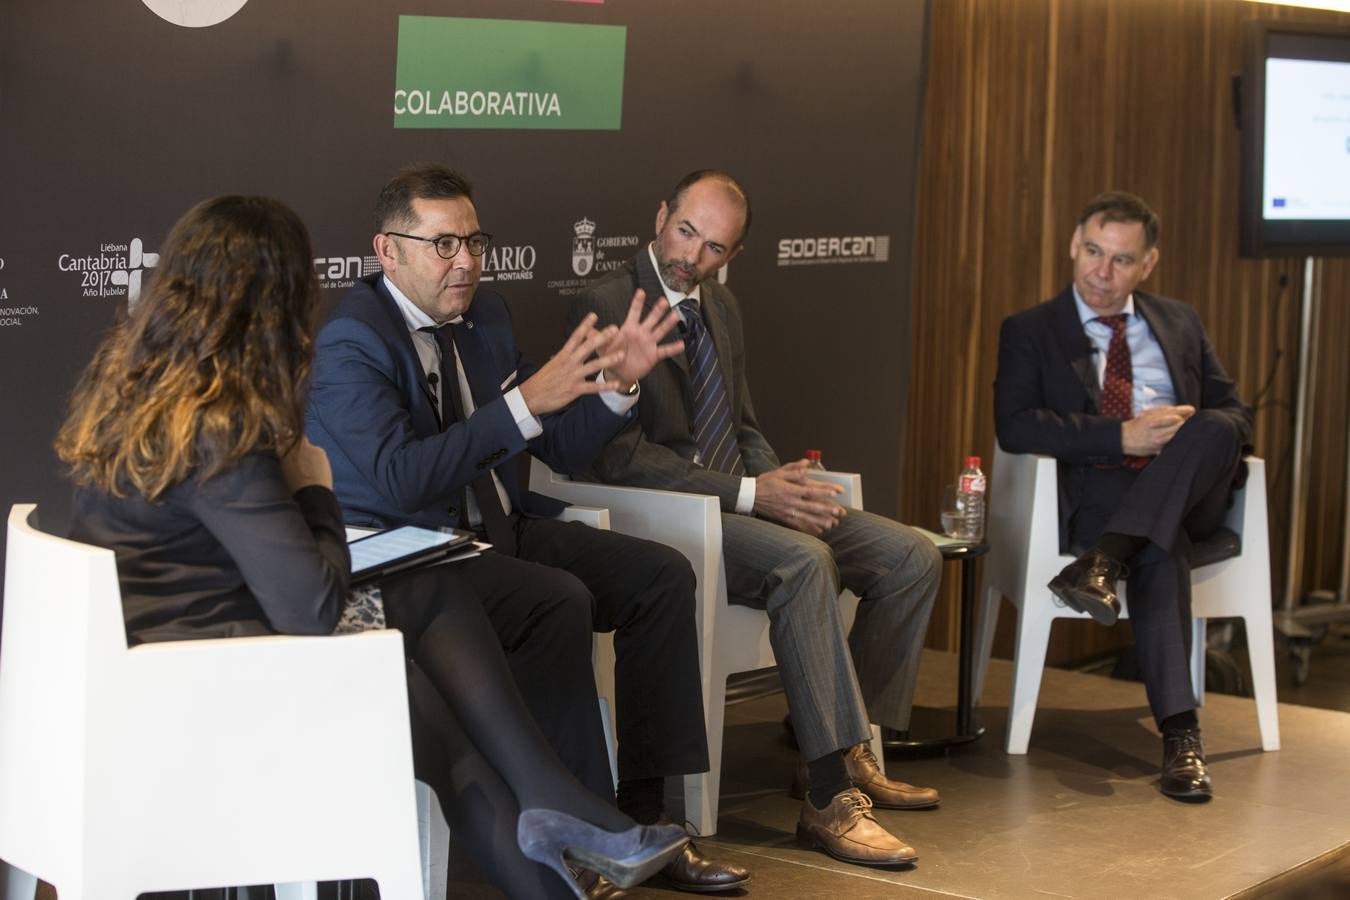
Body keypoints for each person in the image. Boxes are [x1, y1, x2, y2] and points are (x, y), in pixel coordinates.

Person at [55, 195, 690, 900]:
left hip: (177, 660)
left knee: (430, 648)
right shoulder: (219, 424)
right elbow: (313, 611)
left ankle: (552, 808)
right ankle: (556, 804)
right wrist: (316, 488)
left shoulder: (143, 389)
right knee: (422, 653)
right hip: (212, 689)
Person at [305, 166, 750, 893]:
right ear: (387, 251)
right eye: (443, 244)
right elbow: (403, 481)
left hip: (500, 528)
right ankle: (582, 828)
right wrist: (524, 406)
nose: (466, 261)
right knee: (558, 598)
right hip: (417, 554)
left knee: (660, 576)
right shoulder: (352, 340)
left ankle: (642, 813)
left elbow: (559, 449)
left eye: (474, 241)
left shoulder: (487, 317)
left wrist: (616, 387)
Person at [572, 170, 944, 868]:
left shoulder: (723, 305)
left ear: (733, 254)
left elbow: (739, 425)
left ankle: (844, 747)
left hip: (741, 501)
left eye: (714, 247)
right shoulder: (608, 302)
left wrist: (784, 486)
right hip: (668, 516)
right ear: (660, 215)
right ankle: (830, 799)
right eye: (686, 232)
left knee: (909, 558)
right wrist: (750, 497)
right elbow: (620, 459)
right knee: (806, 563)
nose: (693, 256)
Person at [994, 190, 1253, 802]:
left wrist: (1184, 431)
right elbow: (1016, 425)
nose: (1101, 272)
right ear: (1073, 244)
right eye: (1092, 251)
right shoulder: (1030, 330)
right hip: (1103, 484)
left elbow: (1236, 410)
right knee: (1161, 545)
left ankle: (1104, 561)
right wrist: (1123, 433)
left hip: (1191, 486)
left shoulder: (1180, 321)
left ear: (1148, 264)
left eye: (1121, 260)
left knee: (1214, 426)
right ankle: (1181, 737)